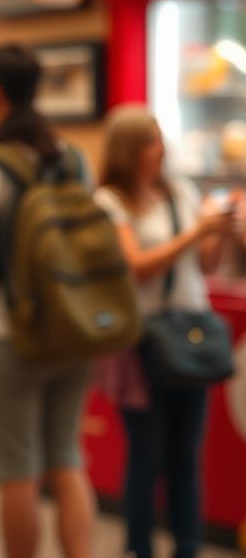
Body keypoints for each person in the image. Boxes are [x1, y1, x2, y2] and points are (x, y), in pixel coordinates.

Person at [0, 46, 97, 558]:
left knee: (17, 470)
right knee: (66, 458)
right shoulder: (74, 158)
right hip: (74, 329)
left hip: (9, 335)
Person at [94, 105, 236, 558]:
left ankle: (187, 546)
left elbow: (207, 264)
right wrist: (196, 232)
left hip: (189, 329)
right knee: (146, 455)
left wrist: (221, 230)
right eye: (151, 141)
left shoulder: (181, 192)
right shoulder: (110, 202)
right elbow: (136, 267)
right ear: (129, 149)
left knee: (186, 455)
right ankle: (140, 546)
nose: (161, 149)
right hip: (144, 338)